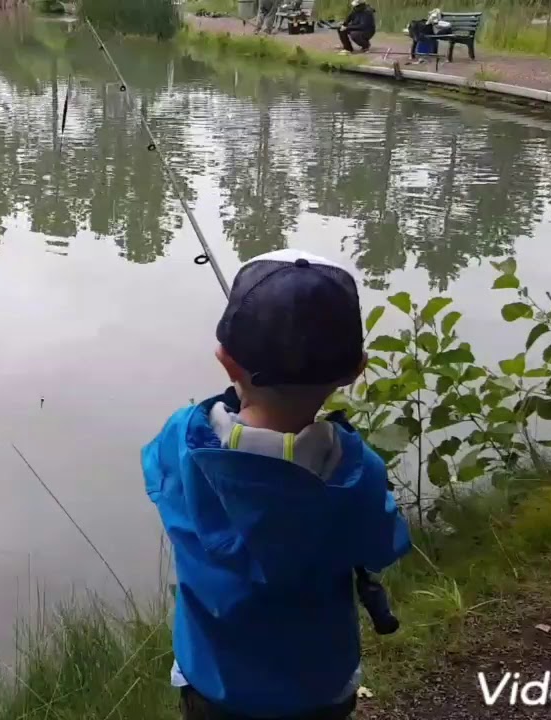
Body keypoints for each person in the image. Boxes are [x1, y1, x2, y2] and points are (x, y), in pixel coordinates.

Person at [142, 249, 412, 720]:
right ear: (354, 370)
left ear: (226, 361)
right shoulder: (354, 469)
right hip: (318, 689)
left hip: (214, 682)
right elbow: (383, 544)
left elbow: (158, 476)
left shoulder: (183, 441)